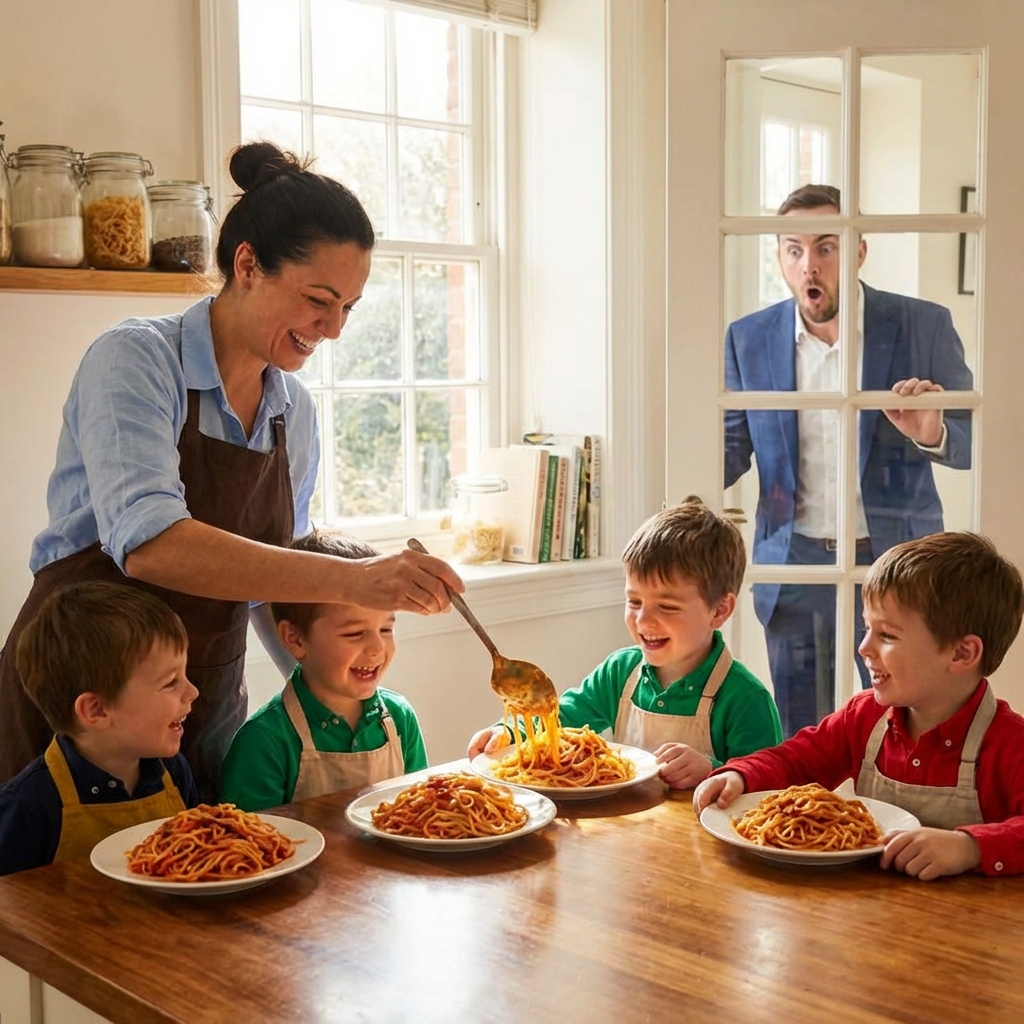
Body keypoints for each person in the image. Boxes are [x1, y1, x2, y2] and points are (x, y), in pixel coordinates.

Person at [0, 142, 463, 798]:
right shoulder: (136, 361)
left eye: (348, 308)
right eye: (318, 300)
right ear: (248, 265)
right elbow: (151, 545)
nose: (332, 329)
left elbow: (274, 586)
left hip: (201, 700)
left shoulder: (291, 413)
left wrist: (325, 702)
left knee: (210, 870)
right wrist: (361, 579)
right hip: (82, 707)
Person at [725, 183, 973, 737]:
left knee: (905, 729)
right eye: (794, 249)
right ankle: (808, 824)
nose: (809, 265)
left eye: (826, 247)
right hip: (793, 567)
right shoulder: (748, 339)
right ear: (779, 257)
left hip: (898, 567)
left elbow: (979, 439)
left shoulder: (921, 326)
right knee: (803, 735)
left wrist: (931, 430)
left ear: (858, 250)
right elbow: (726, 450)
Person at [694, 532, 1024, 881]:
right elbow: (795, 759)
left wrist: (968, 847)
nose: (864, 647)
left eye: (888, 635)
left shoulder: (1007, 742)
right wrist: (740, 775)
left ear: (962, 653)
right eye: (867, 628)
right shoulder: (865, 718)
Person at [468, 497, 782, 789]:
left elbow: (768, 785)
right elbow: (558, 718)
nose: (644, 620)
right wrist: (510, 732)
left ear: (720, 610)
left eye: (667, 606)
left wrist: (712, 770)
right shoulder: (620, 672)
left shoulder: (745, 699)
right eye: (634, 601)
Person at [0, 582, 200, 875]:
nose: (193, 691)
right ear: (96, 710)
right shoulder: (28, 806)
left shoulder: (175, 772)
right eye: (171, 682)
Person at [220, 531, 427, 811]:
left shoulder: (400, 718)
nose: (377, 648)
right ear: (295, 639)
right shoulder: (263, 741)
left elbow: (420, 811)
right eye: (354, 633)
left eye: (386, 629)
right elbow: (246, 844)